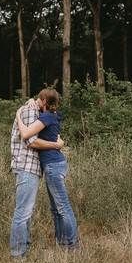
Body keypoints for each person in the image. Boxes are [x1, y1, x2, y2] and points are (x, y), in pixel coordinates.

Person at [15, 87, 79, 254]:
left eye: (39, 98)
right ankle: (61, 244)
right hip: (56, 164)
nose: (36, 99)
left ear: (44, 102)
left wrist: (17, 116)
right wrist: (30, 101)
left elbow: (26, 134)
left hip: (53, 166)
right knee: (57, 209)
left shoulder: (46, 117)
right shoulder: (54, 115)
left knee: (63, 207)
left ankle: (73, 247)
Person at [9, 94, 65, 260]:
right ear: (44, 101)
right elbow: (30, 140)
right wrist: (56, 145)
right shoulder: (30, 111)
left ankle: (23, 248)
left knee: (26, 210)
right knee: (23, 211)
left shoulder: (36, 110)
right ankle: (18, 254)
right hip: (26, 166)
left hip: (29, 167)